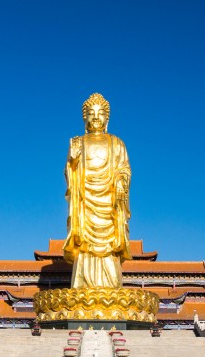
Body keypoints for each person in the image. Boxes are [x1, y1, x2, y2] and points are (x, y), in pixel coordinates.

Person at [63, 92, 131, 289]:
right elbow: (70, 175)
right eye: (91, 113)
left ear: (107, 118)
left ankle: (111, 286)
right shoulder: (78, 142)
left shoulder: (117, 143)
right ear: (85, 117)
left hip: (109, 206)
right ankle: (82, 285)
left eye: (100, 113)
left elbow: (124, 169)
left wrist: (121, 182)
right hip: (86, 206)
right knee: (84, 248)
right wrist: (73, 162)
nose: (95, 117)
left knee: (109, 251)